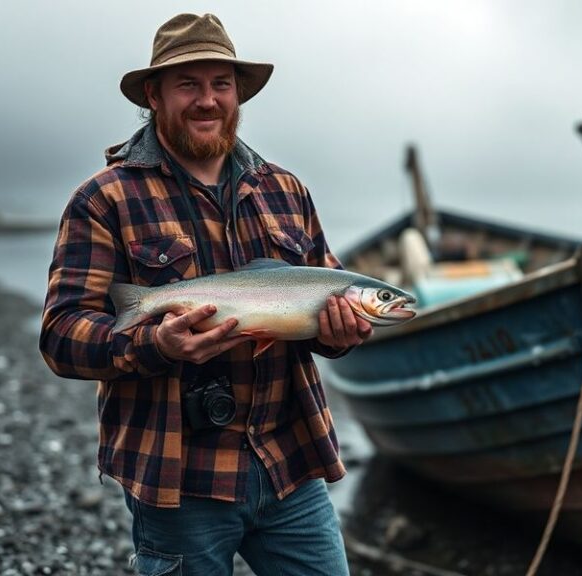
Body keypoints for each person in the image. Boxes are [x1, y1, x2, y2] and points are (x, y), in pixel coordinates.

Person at [39, 12, 372, 576]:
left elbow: (324, 299)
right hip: (177, 478)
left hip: (290, 462)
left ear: (238, 93)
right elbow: (61, 335)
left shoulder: (286, 191)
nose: (207, 101)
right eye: (187, 84)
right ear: (154, 95)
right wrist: (155, 346)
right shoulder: (104, 199)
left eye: (221, 84)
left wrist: (343, 335)